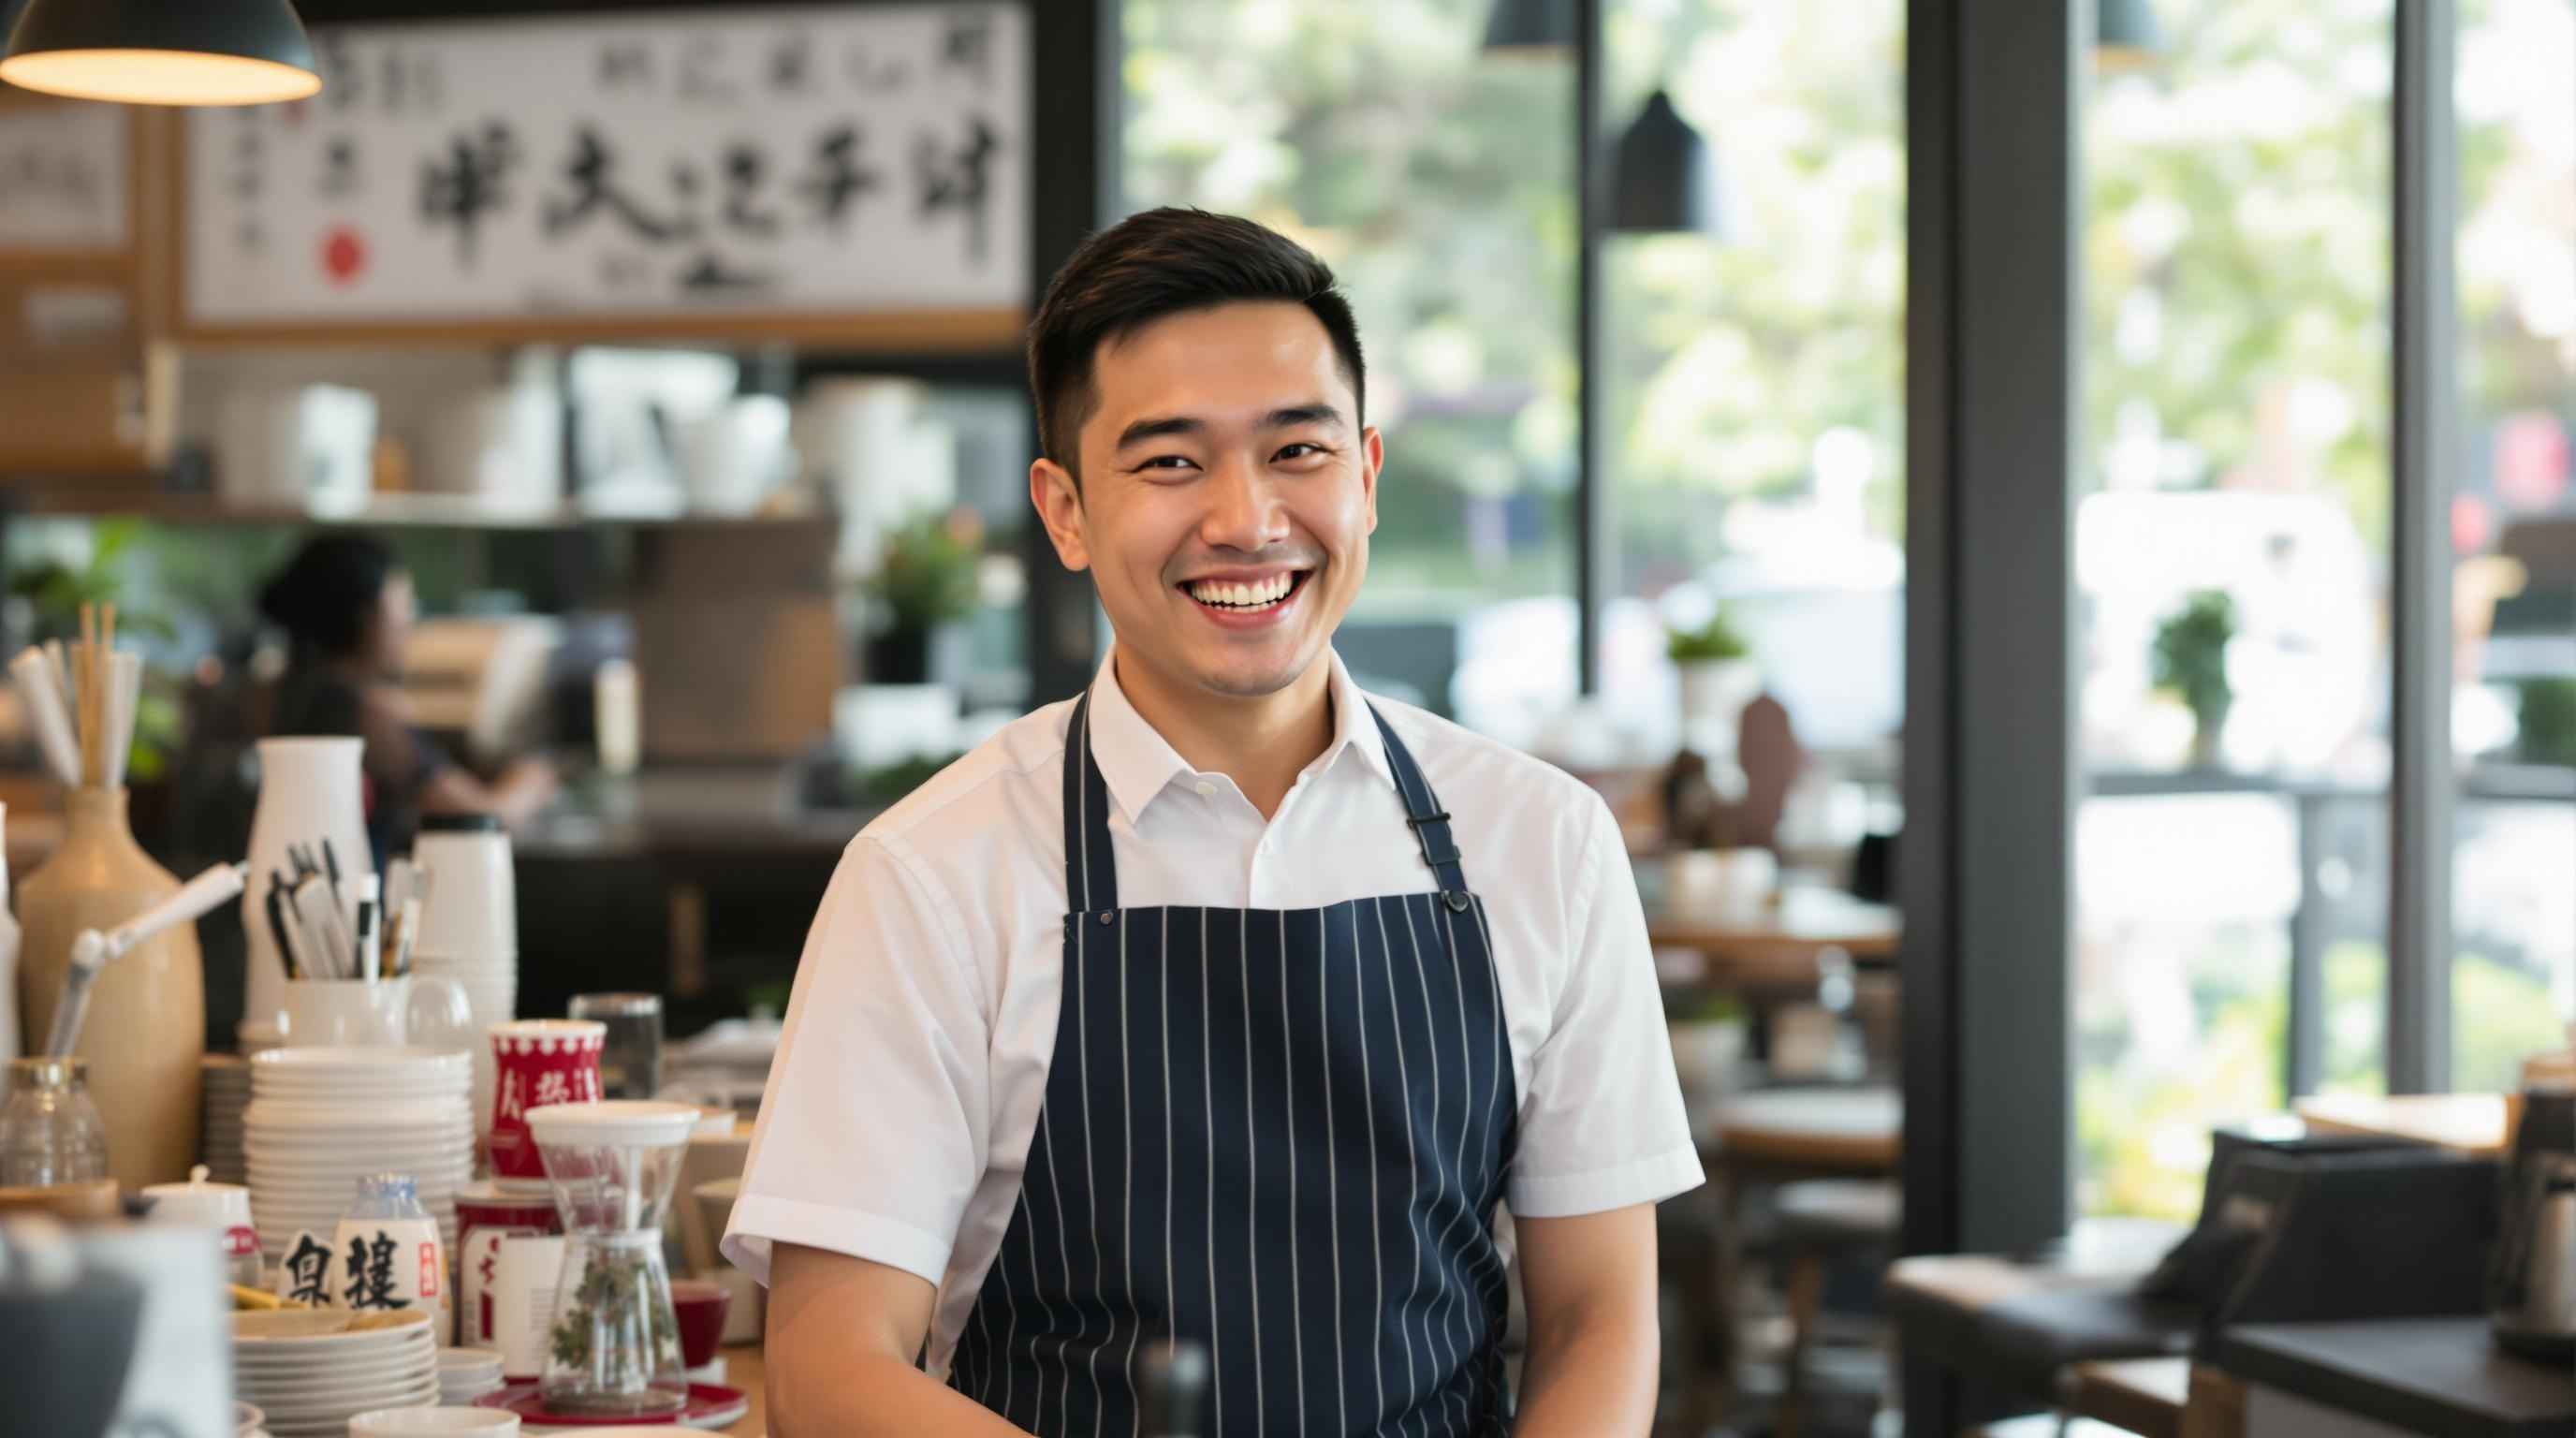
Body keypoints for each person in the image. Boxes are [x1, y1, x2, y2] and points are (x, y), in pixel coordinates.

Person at [725, 209, 1701, 1437]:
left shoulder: (1542, 841)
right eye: (1172, 462)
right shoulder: (930, 874)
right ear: (1066, 510)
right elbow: (828, 1369)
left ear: (1368, 475)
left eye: (1298, 450)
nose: (1245, 520)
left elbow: (1599, 1319)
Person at [250, 534, 556, 864]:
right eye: (403, 603)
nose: (410, 620)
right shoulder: (364, 711)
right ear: (365, 618)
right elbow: (480, 819)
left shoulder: (262, 694)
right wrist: (531, 779)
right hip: (349, 906)